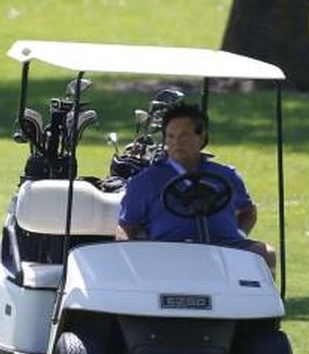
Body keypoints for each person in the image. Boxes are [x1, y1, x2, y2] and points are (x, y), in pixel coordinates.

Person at [114, 103, 275, 269]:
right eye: (171, 136)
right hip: (168, 249)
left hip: (225, 247)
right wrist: (132, 256)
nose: (177, 142)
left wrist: (239, 235)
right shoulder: (147, 180)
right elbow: (126, 226)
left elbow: (248, 211)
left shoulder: (225, 174)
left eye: (184, 136)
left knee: (266, 253)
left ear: (201, 136)